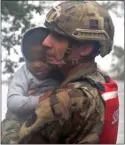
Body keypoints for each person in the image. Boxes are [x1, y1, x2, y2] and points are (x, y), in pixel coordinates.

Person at [10, 1, 121, 144]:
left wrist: (13, 112)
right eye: (49, 33)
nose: (45, 42)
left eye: (57, 36)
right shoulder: (99, 79)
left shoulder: (65, 99)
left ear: (85, 48)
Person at [1, 27, 63, 144]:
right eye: (30, 60)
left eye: (43, 60)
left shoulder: (59, 72)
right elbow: (12, 101)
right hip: (22, 125)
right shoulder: (24, 74)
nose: (36, 65)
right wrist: (38, 100)